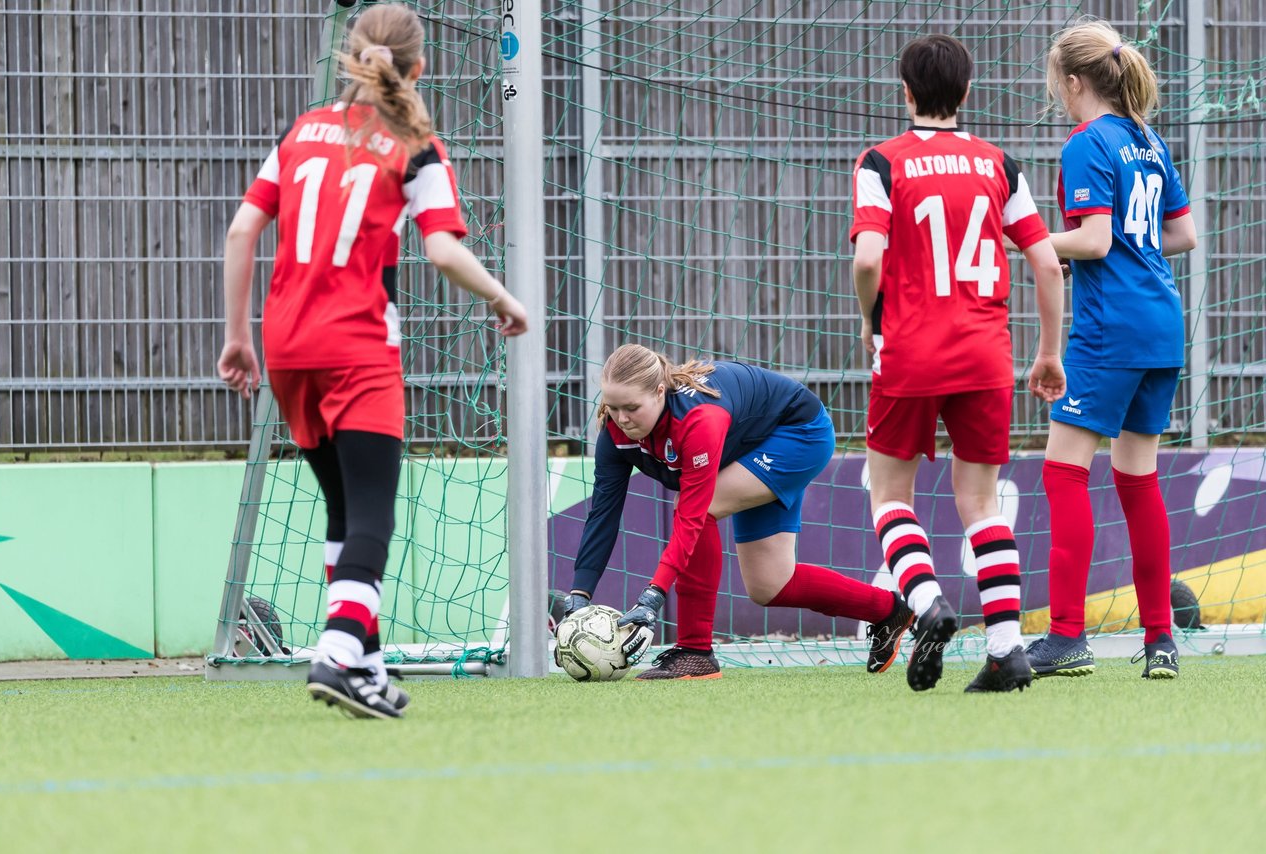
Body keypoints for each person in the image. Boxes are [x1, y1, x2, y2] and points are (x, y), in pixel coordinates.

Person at [218, 3, 528, 718]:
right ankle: (335, 652)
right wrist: (504, 300)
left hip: (286, 344)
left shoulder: (301, 132)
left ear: (348, 60)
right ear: (420, 68)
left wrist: (238, 336)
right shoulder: (415, 142)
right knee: (374, 522)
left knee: (343, 509)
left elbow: (242, 230)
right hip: (357, 349)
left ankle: (367, 669)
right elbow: (444, 249)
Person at [850, 34, 1067, 692]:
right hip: (985, 353)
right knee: (980, 503)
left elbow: (867, 259)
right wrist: (1049, 352)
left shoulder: (880, 161)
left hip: (910, 350)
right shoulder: (999, 163)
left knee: (889, 495)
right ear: (967, 94)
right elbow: (1048, 262)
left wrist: (872, 319)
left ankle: (925, 603)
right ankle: (1007, 649)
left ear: (906, 92)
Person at [563, 343, 916, 680]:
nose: (621, 418)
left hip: (797, 435)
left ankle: (695, 653)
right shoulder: (615, 432)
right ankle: (888, 611)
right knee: (770, 585)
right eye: (613, 407)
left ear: (659, 392)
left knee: (700, 507)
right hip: (748, 444)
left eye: (631, 408)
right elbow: (604, 513)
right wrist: (580, 593)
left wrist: (653, 596)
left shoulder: (699, 420)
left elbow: (692, 514)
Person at [1023, 21, 1197, 680]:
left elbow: (1093, 241)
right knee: (1137, 479)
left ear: (1074, 82)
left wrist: (1030, 239)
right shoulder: (1148, 141)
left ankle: (1066, 636)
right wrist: (1137, 243)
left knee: (1064, 471)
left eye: (1056, 83)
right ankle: (1160, 640)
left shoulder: (1087, 141)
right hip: (1161, 326)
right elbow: (1183, 234)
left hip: (1111, 329)